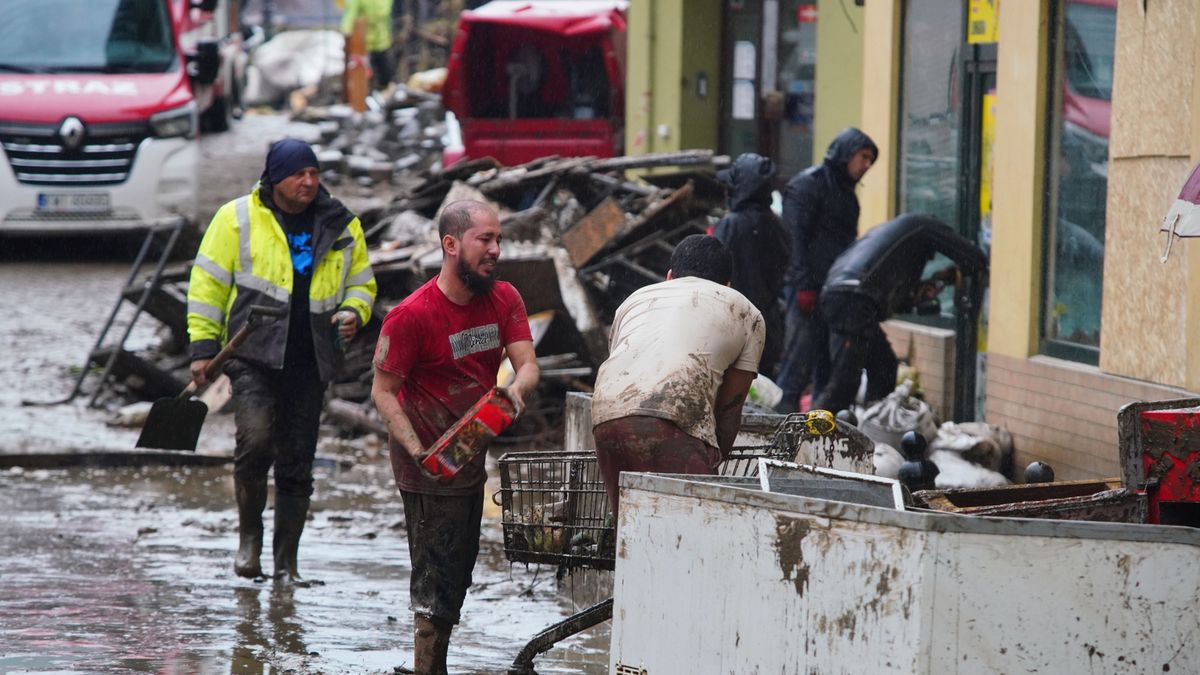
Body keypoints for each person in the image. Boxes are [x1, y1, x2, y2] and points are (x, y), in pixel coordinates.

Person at [187, 138, 377, 581]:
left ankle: (286, 564)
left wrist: (354, 311)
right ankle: (249, 540)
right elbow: (208, 285)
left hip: (311, 359)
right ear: (275, 179)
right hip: (252, 354)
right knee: (255, 442)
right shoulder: (235, 218)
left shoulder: (341, 223)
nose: (308, 181)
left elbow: (362, 283)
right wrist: (202, 347)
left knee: (297, 460)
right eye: (298, 174)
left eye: (313, 173)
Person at [371, 200, 539, 675]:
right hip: (426, 463)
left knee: (459, 569)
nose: (495, 249)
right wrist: (417, 450)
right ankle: (427, 668)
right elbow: (383, 392)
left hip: (469, 453)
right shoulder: (411, 315)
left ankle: (433, 665)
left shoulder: (504, 298)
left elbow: (528, 364)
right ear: (450, 244)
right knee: (435, 575)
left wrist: (514, 393)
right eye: (484, 239)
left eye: (498, 239)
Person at [590, 235, 765, 521]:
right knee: (698, 525)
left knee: (630, 527)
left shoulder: (635, 300)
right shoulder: (745, 311)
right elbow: (730, 405)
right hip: (673, 411)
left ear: (669, 276)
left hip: (605, 414)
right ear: (727, 285)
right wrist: (715, 457)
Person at [814, 213, 989, 414]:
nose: (930, 258)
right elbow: (974, 257)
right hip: (853, 299)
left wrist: (919, 292)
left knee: (884, 367)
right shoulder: (923, 227)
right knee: (844, 383)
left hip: (844, 295)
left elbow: (891, 294)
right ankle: (807, 431)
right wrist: (971, 267)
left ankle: (875, 421)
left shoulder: (895, 238)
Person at [775, 127, 878, 413]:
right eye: (863, 157)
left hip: (833, 293)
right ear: (846, 153)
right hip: (808, 289)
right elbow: (795, 239)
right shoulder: (808, 186)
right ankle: (778, 424)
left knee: (825, 363)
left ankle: (817, 429)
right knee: (798, 362)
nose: (867, 165)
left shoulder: (846, 195)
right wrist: (803, 284)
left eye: (870, 160)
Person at [713, 153, 791, 376]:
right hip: (767, 326)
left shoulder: (731, 225)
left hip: (732, 324)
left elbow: (714, 273)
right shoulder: (777, 225)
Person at [342, 0, 395, 91]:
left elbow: (388, 17)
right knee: (365, 79)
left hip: (382, 43)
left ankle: (382, 94)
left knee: (385, 77)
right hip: (363, 46)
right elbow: (350, 16)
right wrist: (347, 35)